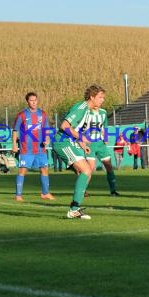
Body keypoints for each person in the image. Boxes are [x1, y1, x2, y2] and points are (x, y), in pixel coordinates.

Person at [52, 84, 107, 219]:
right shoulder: (81, 108)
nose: (103, 100)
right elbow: (64, 126)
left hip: (70, 142)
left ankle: (75, 208)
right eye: (100, 97)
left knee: (86, 171)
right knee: (86, 171)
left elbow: (75, 129)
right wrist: (81, 138)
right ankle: (74, 209)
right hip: (63, 142)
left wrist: (82, 144)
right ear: (92, 97)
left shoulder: (88, 111)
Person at [12, 92, 55, 202]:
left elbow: (46, 130)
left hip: (41, 149)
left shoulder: (43, 114)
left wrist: (47, 140)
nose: (34, 102)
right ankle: (18, 195)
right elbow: (15, 130)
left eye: (35, 100)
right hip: (27, 149)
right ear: (27, 102)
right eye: (31, 100)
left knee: (44, 169)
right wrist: (14, 145)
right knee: (22, 170)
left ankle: (45, 193)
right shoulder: (22, 115)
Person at [84, 100, 119, 196]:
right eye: (99, 98)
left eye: (102, 98)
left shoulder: (103, 112)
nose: (101, 100)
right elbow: (80, 127)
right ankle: (83, 190)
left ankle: (113, 191)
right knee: (90, 169)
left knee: (109, 166)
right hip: (90, 144)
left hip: (100, 143)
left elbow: (105, 126)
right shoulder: (86, 112)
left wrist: (106, 137)